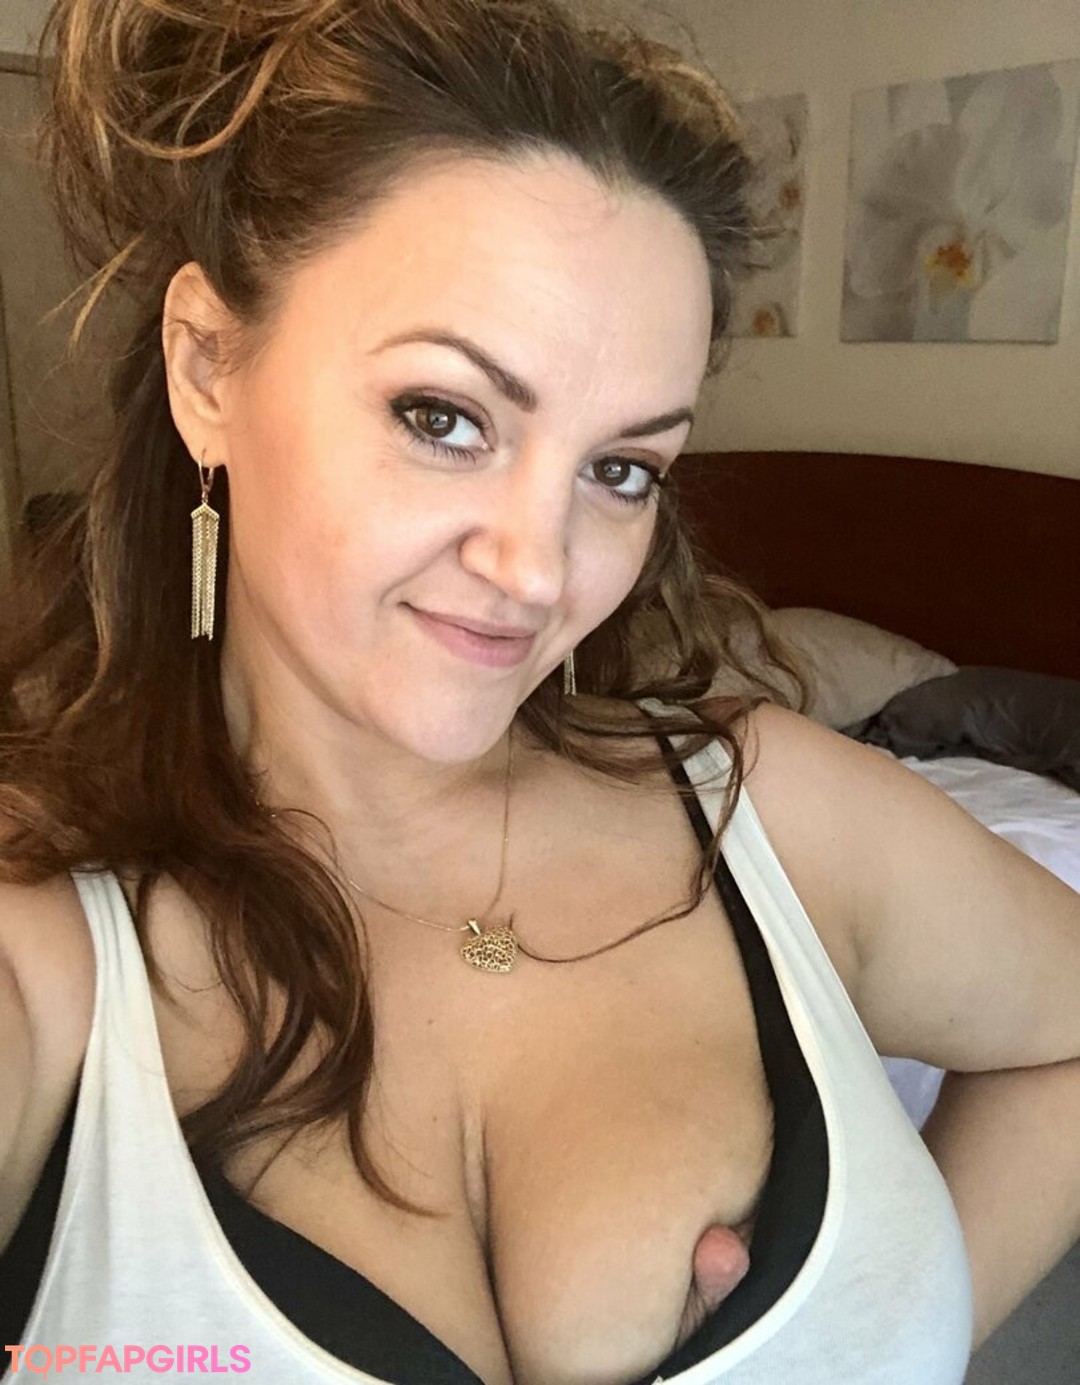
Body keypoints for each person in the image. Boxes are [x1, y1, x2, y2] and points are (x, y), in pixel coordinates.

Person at [1, 1, 1078, 1382]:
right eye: (444, 417)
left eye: (620, 470)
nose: (537, 567)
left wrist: (905, 1329)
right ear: (208, 366)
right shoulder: (45, 949)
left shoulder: (773, 812)